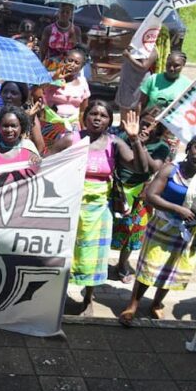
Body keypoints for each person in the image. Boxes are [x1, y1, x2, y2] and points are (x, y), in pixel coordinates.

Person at [119, 134, 196, 324]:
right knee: (148, 269)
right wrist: (177, 209)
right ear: (190, 147)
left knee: (171, 271)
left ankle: (156, 303)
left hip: (186, 232)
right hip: (162, 226)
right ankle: (132, 306)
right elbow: (150, 195)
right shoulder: (170, 170)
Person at [49, 102, 145, 308]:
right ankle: (58, 297)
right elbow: (45, 163)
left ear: (110, 121)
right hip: (70, 208)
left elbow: (140, 167)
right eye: (93, 113)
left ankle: (88, 299)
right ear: (85, 117)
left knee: (94, 257)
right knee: (66, 254)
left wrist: (135, 139)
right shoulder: (70, 139)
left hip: (100, 211)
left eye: (103, 115)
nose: (97, 118)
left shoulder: (115, 143)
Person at [111, 107, 172, 283]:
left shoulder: (161, 146)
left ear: (159, 129)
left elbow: (155, 168)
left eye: (151, 126)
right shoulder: (124, 137)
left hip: (141, 194)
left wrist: (140, 144)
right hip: (117, 190)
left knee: (133, 232)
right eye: (143, 124)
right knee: (110, 226)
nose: (146, 129)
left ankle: (122, 265)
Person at [39, 47, 90, 148]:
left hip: (73, 127)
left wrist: (84, 129)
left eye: (76, 63)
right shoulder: (50, 77)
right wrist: (54, 79)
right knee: (49, 153)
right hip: (50, 124)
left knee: (68, 154)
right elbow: (37, 92)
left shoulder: (83, 83)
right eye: (69, 60)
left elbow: (83, 111)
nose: (72, 65)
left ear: (81, 67)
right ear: (63, 60)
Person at [115, 26, 168, 113]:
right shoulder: (138, 46)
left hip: (138, 82)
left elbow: (143, 66)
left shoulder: (151, 50)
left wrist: (128, 56)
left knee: (135, 105)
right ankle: (123, 124)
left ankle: (132, 123)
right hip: (128, 80)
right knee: (124, 104)